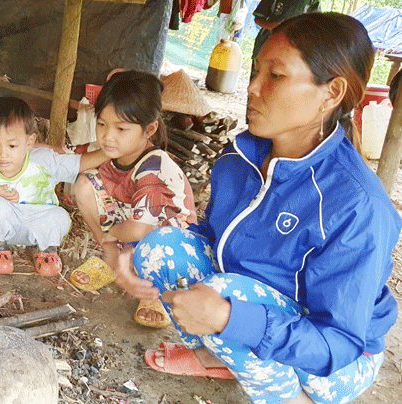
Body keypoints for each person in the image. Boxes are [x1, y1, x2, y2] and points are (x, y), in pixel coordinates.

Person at [120, 13, 401, 404]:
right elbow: (215, 240)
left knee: (227, 296)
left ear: (331, 93)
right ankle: (229, 358)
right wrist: (136, 251)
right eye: (256, 71)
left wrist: (228, 318)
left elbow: (339, 343)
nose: (252, 87)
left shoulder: (357, 205)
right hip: (264, 304)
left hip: (336, 362)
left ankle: (289, 398)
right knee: (161, 249)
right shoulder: (240, 157)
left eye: (276, 76)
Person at [69, 70, 197, 328]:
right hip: (133, 230)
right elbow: (64, 160)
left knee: (153, 247)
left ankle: (155, 289)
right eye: (102, 123)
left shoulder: (156, 166)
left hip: (170, 245)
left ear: (149, 129)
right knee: (84, 185)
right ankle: (111, 260)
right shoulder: (113, 151)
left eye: (121, 128)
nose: (107, 136)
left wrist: (113, 232)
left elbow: (139, 228)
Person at [0, 96, 108, 276]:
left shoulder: (43, 160)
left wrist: (111, 152)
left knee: (60, 216)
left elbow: (77, 163)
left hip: (39, 219)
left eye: (12, 145)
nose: (3, 155)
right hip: (8, 222)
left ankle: (44, 249)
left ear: (30, 142)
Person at [249, 0, 320, 82]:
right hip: (267, 46)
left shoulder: (312, 1)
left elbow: (315, 22)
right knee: (257, 84)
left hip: (293, 52)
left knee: (281, 84)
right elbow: (258, 19)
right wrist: (276, 27)